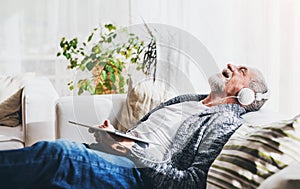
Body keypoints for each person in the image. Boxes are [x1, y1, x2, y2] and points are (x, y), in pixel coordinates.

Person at [0, 64, 268, 189]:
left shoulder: (223, 122)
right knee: (44, 168)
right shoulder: (188, 100)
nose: (231, 65)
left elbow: (193, 182)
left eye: (242, 71)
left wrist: (131, 153)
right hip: (120, 157)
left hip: (140, 177)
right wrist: (115, 138)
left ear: (247, 95)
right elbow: (141, 135)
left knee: (60, 156)